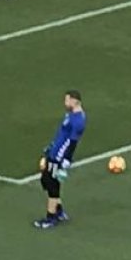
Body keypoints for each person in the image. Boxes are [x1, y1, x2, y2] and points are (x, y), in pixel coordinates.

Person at [33, 90, 87, 229]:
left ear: (75, 101)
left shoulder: (78, 121)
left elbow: (72, 142)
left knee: (51, 184)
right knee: (46, 180)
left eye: (67, 100)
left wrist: (66, 160)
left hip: (58, 156)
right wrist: (51, 146)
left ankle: (51, 218)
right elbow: (61, 134)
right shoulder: (71, 115)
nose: (65, 103)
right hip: (54, 152)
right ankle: (59, 211)